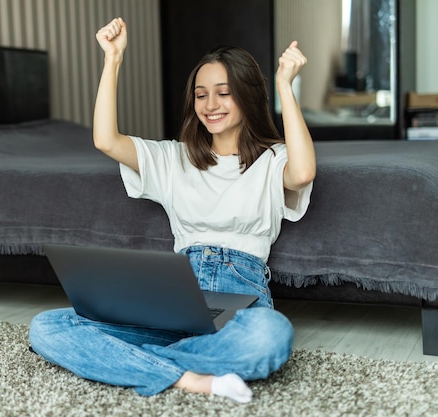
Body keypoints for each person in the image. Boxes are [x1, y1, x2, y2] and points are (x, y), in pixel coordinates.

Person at [29, 17, 315, 403]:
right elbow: (106, 140)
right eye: (200, 95)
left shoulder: (272, 161)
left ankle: (129, 364)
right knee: (47, 327)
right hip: (173, 298)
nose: (210, 105)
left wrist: (285, 85)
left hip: (240, 299)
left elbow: (303, 172)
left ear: (248, 95)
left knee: (271, 337)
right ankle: (192, 378)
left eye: (223, 93)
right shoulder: (173, 158)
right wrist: (112, 59)